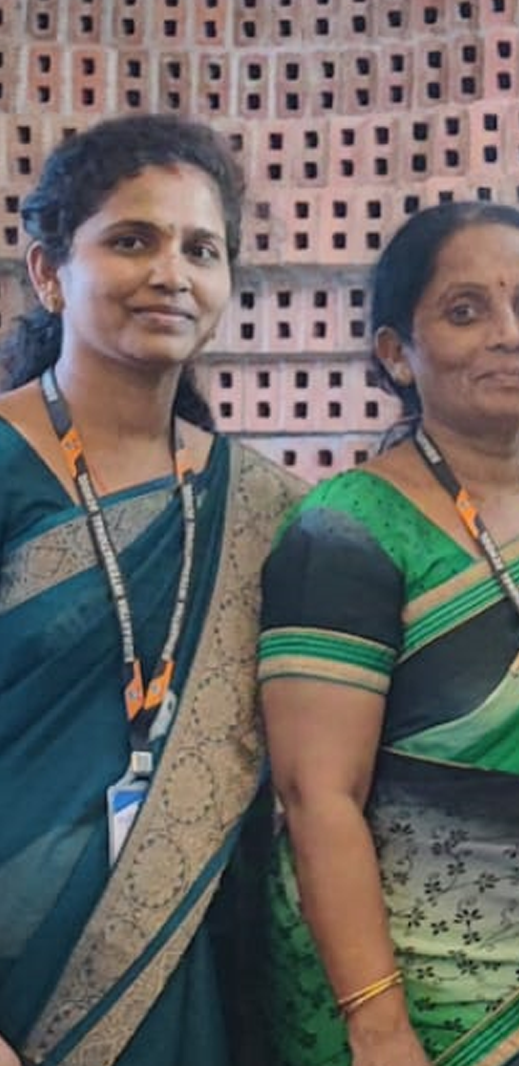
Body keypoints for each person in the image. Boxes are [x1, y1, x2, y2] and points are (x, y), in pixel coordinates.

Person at [258, 201, 519, 1066]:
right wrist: (378, 1025)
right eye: (466, 311)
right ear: (398, 352)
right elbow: (318, 796)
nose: (509, 335)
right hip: (408, 1000)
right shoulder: (347, 531)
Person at [0, 114, 303, 1065]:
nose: (171, 272)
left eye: (201, 250)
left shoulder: (265, 508)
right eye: (132, 240)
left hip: (196, 974)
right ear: (50, 272)